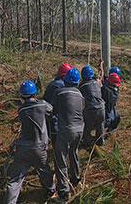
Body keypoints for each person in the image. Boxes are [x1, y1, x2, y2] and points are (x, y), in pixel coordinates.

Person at [3, 80, 56, 204]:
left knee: (15, 180)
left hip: (22, 148)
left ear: (21, 96)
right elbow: (51, 111)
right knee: (44, 170)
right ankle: (51, 190)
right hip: (39, 147)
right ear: (35, 94)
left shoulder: (21, 110)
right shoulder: (42, 105)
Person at [51, 67, 84, 201]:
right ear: (77, 82)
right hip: (80, 128)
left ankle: (64, 193)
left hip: (67, 130)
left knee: (61, 159)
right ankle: (75, 179)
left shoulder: (59, 92)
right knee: (74, 152)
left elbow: (54, 110)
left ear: (65, 80)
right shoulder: (79, 93)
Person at [43, 63, 72, 144]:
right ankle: (58, 148)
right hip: (53, 112)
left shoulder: (55, 83)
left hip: (49, 110)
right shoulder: (60, 85)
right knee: (56, 130)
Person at [79, 65, 105, 147]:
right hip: (101, 108)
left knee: (87, 126)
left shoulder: (82, 86)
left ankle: (87, 141)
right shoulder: (97, 82)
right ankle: (100, 141)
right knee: (100, 125)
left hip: (91, 109)